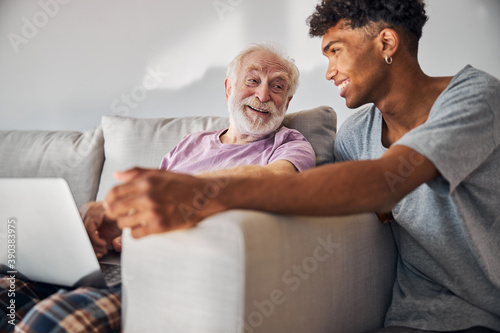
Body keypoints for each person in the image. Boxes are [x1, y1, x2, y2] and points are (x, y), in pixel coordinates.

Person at [102, 1, 500, 332]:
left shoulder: (475, 97)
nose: (329, 72)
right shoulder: (355, 134)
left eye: (335, 50)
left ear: (386, 42)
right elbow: (350, 201)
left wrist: (206, 193)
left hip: (482, 314)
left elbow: (384, 183)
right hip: (408, 317)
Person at [0, 43, 316, 333]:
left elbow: (281, 180)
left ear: (287, 102)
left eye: (277, 86)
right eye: (252, 80)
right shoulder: (192, 144)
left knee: (47, 323)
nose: (263, 95)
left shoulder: (289, 144)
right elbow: (149, 207)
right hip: (119, 263)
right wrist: (114, 232)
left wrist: (165, 195)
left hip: (168, 276)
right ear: (229, 87)